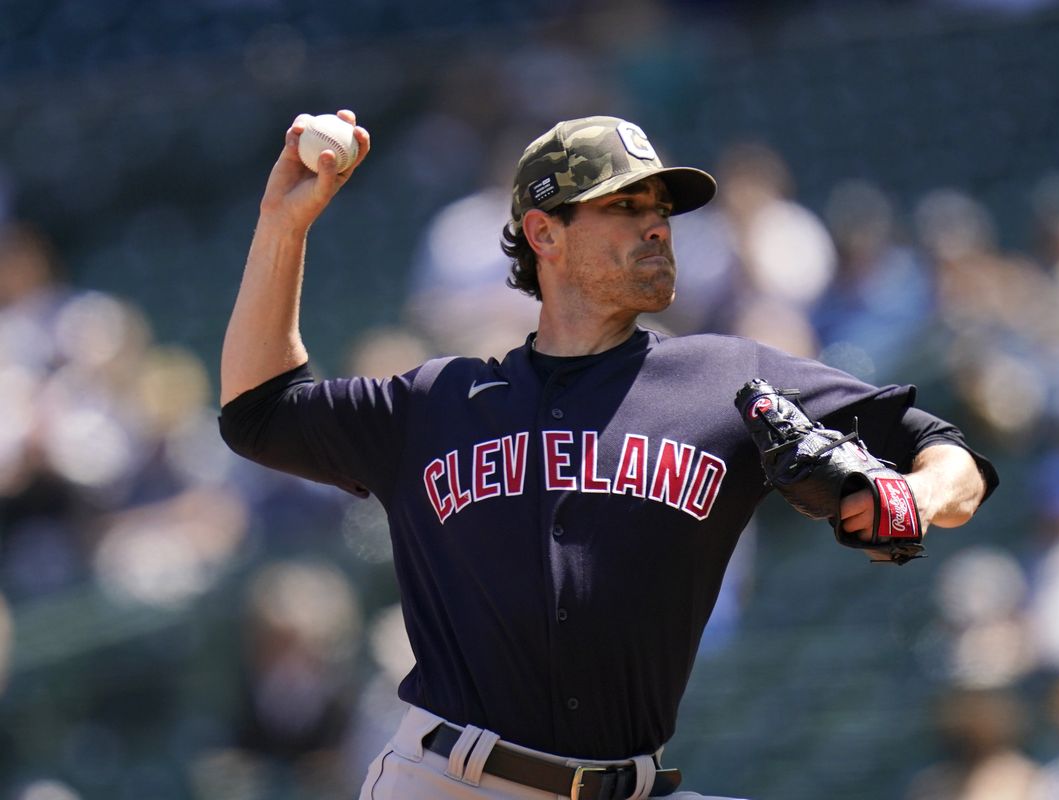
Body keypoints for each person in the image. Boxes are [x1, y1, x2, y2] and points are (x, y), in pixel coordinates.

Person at [219, 111, 998, 800]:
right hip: (453, 783)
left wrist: (916, 499)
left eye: (661, 208)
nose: (657, 225)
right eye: (624, 206)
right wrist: (285, 224)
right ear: (544, 233)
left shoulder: (727, 379)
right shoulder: (435, 405)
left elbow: (946, 452)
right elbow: (257, 413)